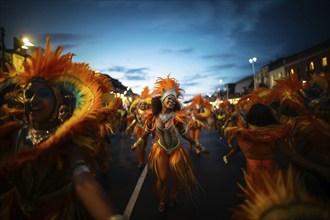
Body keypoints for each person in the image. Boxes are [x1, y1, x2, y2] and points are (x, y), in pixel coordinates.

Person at [0, 38, 123, 220]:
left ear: (56, 101)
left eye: (43, 94)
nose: (33, 101)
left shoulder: (65, 139)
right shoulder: (14, 133)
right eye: (29, 94)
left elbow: (83, 181)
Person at [130, 74, 208, 213]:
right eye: (169, 99)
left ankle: (173, 196)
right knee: (162, 178)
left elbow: (184, 134)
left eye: (174, 99)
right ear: (162, 100)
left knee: (177, 175)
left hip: (176, 149)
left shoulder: (177, 117)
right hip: (161, 149)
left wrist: (198, 145)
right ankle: (162, 200)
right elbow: (146, 133)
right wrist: (137, 143)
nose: (171, 101)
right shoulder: (153, 117)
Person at [126, 86, 152, 168]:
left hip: (146, 131)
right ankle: (140, 161)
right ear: (138, 105)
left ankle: (142, 156)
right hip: (138, 129)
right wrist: (130, 127)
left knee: (144, 146)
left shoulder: (149, 113)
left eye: (144, 104)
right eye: (141, 104)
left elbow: (151, 123)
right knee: (140, 146)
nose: (143, 105)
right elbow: (135, 120)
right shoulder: (137, 112)